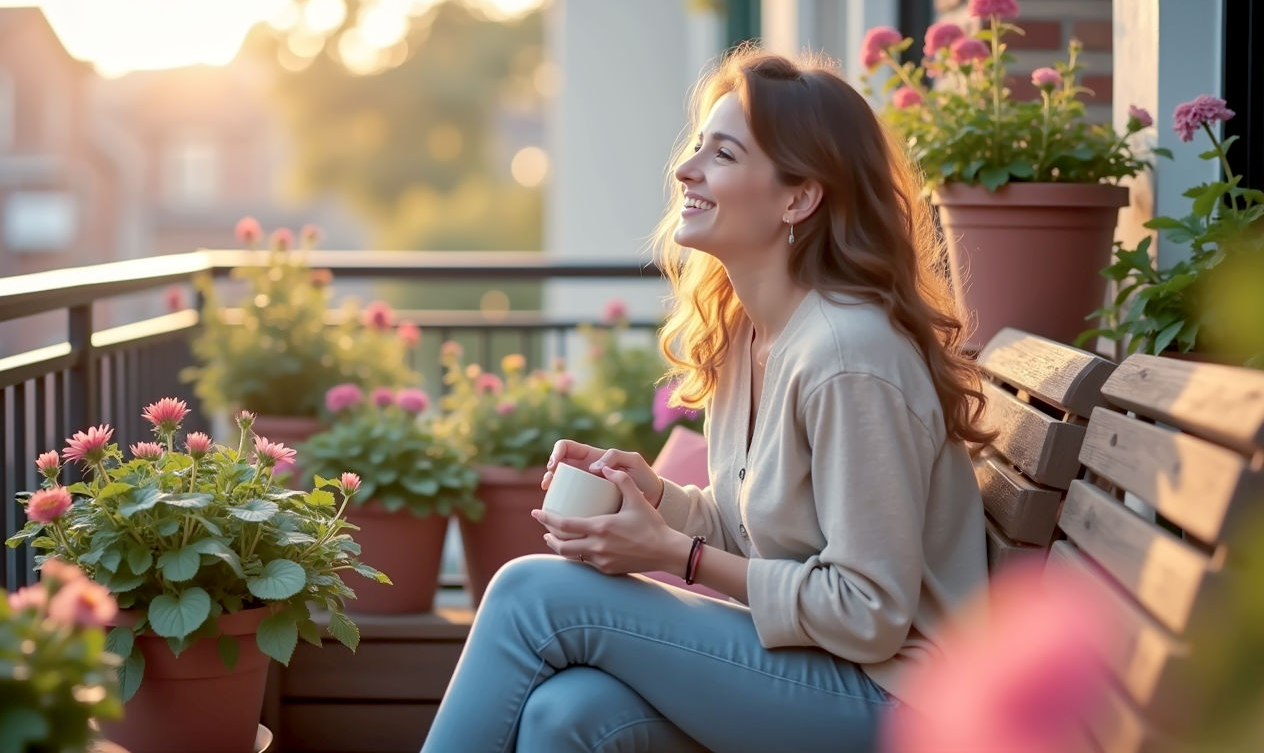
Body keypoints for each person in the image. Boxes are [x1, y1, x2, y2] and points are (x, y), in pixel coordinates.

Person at [421, 46, 994, 753]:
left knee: (528, 595)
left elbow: (868, 613)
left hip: (900, 700)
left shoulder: (849, 358)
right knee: (566, 714)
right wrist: (658, 496)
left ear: (798, 197)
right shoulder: (752, 336)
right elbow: (764, 528)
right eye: (697, 148)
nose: (685, 170)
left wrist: (677, 554)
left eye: (721, 155)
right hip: (825, 671)